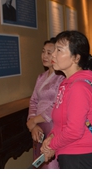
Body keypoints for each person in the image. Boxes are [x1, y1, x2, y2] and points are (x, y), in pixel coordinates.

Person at [40, 31, 92, 168]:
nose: (53, 55)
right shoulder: (66, 84)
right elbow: (61, 122)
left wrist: (51, 146)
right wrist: (51, 137)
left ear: (76, 58)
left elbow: (74, 131)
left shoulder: (79, 87)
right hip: (69, 152)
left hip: (79, 156)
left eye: (59, 50)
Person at [26, 38, 64, 169]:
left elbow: (57, 105)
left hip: (52, 125)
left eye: (49, 52)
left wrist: (34, 120)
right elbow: (33, 100)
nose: (45, 56)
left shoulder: (62, 77)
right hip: (38, 126)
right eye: (43, 52)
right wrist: (33, 123)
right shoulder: (41, 77)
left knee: (50, 163)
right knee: (40, 162)